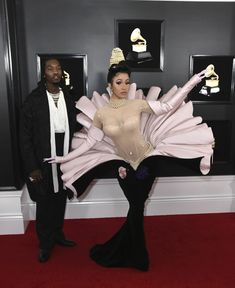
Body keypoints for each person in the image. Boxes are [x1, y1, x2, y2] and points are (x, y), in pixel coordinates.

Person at [46, 48, 214, 271]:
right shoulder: (102, 114)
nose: (124, 87)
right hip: (123, 166)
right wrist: (64, 157)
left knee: (136, 206)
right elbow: (89, 143)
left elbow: (167, 106)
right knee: (135, 208)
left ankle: (138, 256)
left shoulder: (136, 104)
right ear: (110, 85)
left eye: (127, 82)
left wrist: (192, 81)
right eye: (119, 82)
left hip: (147, 162)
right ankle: (125, 249)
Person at [20, 58, 79, 263]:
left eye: (58, 69)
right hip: (42, 157)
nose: (55, 72)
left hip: (64, 154)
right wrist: (32, 167)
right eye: (50, 68)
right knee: (45, 201)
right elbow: (24, 137)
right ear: (44, 73)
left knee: (60, 198)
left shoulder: (68, 97)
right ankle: (45, 244)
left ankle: (57, 235)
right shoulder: (33, 100)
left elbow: (75, 127)